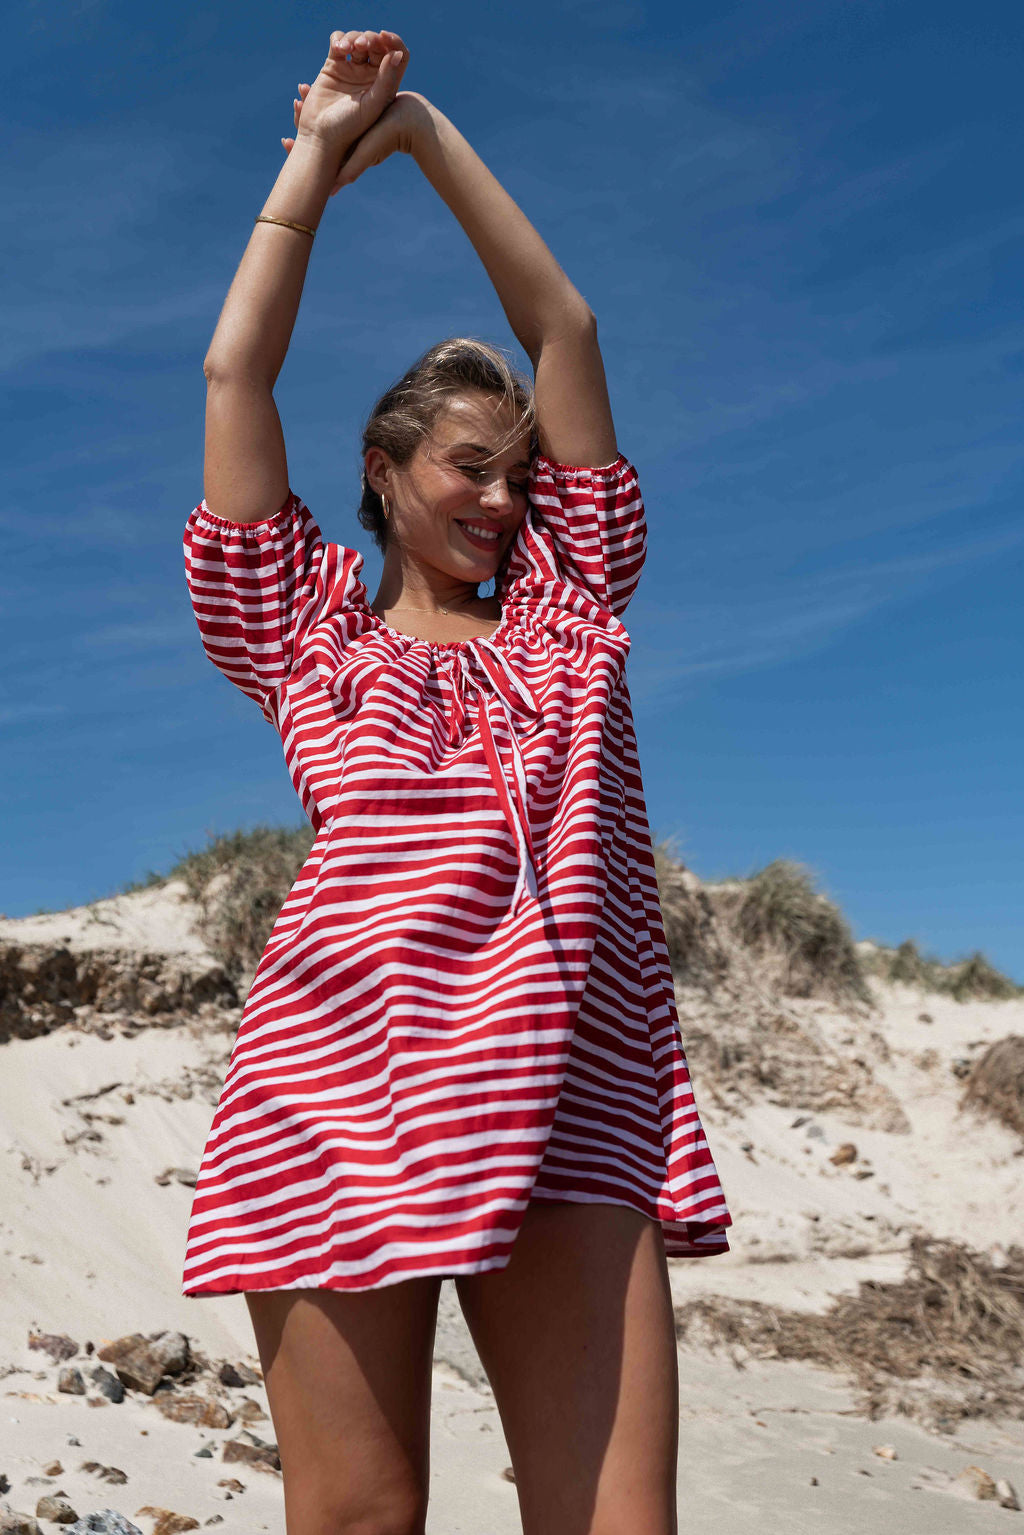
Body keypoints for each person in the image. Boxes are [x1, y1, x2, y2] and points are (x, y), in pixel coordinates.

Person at [182, 27, 731, 1535]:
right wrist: (313, 157)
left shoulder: (573, 605)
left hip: (574, 1092)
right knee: (360, 1520)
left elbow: (567, 326)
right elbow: (237, 367)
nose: (500, 499)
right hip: (333, 1091)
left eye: (517, 473)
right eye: (467, 467)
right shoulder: (303, 633)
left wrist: (417, 132)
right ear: (383, 466)